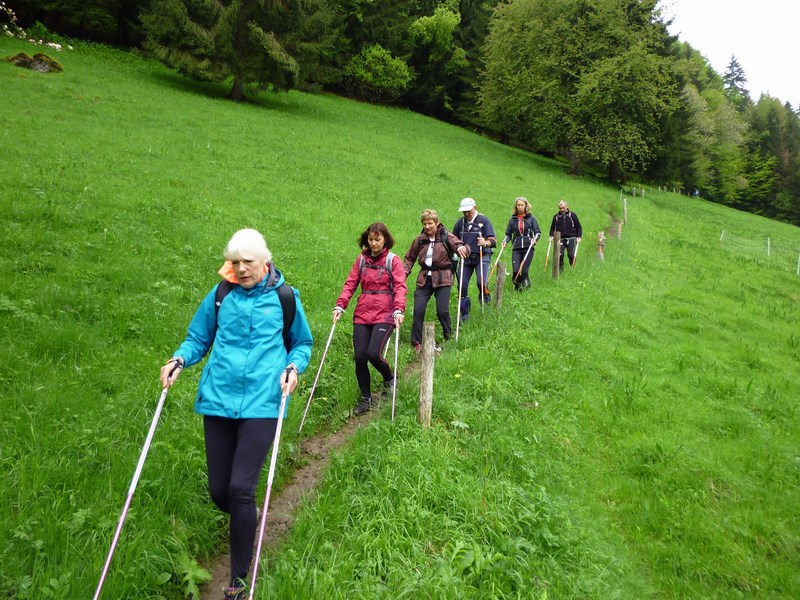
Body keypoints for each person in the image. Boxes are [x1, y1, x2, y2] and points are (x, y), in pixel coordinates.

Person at [159, 228, 313, 600]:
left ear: (265, 261)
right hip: (219, 399)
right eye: (235, 262)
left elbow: (302, 343)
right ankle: (248, 517)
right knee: (219, 491)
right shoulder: (220, 295)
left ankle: (238, 580)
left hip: (263, 401)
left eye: (247, 262)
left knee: (241, 490)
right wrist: (180, 359)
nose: (241, 269)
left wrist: (293, 368)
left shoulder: (285, 297)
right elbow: (198, 338)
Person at [334, 222, 406, 416]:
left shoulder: (393, 260)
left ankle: (389, 379)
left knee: (374, 354)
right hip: (363, 311)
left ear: (385, 240)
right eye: (371, 239)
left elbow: (400, 286)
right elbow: (350, 284)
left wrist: (399, 309)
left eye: (378, 239)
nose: (374, 243)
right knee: (359, 357)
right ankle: (366, 398)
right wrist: (340, 305)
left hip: (386, 311)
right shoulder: (361, 260)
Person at [403, 209, 470, 352]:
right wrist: (403, 274)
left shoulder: (446, 236)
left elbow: (459, 245)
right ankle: (416, 342)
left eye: (430, 223)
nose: (427, 227)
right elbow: (409, 258)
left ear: (436, 223)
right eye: (424, 223)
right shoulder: (420, 239)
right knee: (418, 310)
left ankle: (449, 337)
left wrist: (462, 248)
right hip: (424, 279)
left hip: (443, 277)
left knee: (442, 311)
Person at [452, 197, 496, 322]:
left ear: (474, 208)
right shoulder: (460, 223)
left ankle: (486, 299)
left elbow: (493, 240)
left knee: (481, 283)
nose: (466, 214)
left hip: (482, 256)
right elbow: (453, 239)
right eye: (464, 211)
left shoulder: (483, 221)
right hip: (465, 259)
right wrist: (458, 246)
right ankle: (465, 314)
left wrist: (485, 242)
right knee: (462, 286)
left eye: (468, 211)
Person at [501, 197, 541, 290]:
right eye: (518, 205)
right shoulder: (512, 220)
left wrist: (534, 240)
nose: (520, 207)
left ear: (525, 206)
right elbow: (508, 234)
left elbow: (538, 232)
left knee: (524, 270)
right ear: (516, 206)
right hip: (516, 247)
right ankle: (518, 288)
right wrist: (504, 242)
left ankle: (526, 286)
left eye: (522, 205)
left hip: (528, 247)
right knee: (516, 271)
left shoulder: (531, 218)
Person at [549, 200, 583, 269]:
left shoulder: (572, 215)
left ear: (567, 207)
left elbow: (579, 227)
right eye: (560, 208)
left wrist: (579, 236)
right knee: (559, 255)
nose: (562, 209)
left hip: (571, 238)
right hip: (560, 239)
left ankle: (573, 268)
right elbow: (552, 228)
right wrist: (551, 235)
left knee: (571, 254)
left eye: (563, 208)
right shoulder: (556, 217)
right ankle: (560, 271)